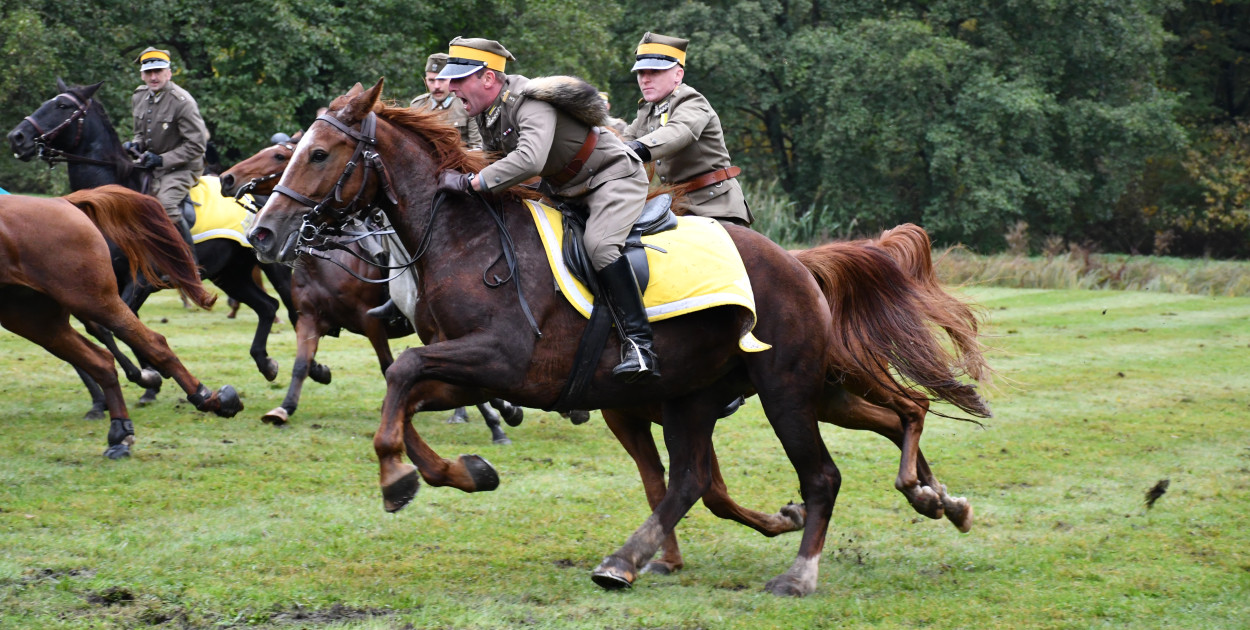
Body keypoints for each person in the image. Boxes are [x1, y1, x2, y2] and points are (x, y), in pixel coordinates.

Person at [436, 37, 658, 382]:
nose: (449, 87)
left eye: (458, 80)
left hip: (610, 178)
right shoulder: (487, 112)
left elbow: (529, 159)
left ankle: (641, 346)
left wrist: (471, 183)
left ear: (488, 79)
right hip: (564, 189)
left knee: (600, 247)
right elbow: (495, 161)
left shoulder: (529, 102)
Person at [622, 32, 752, 226]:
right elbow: (624, 141)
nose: (645, 79)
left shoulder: (691, 101)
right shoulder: (648, 110)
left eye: (654, 72)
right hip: (677, 208)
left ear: (678, 74)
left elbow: (679, 131)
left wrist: (637, 149)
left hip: (715, 206)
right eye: (641, 72)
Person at [127, 46, 210, 262]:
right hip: (152, 165)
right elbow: (140, 133)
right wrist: (134, 145)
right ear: (142, 75)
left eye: (158, 71)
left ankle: (185, 260)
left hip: (183, 168)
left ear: (169, 72)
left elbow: (197, 145)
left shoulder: (182, 102)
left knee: (164, 204)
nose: (153, 77)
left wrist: (162, 159)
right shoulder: (139, 96)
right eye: (148, 72)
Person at [411, 53, 482, 150]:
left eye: (442, 80)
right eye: (431, 80)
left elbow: (478, 148)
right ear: (426, 80)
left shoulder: (467, 104)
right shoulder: (417, 106)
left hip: (460, 163)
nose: (436, 86)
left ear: (452, 80)